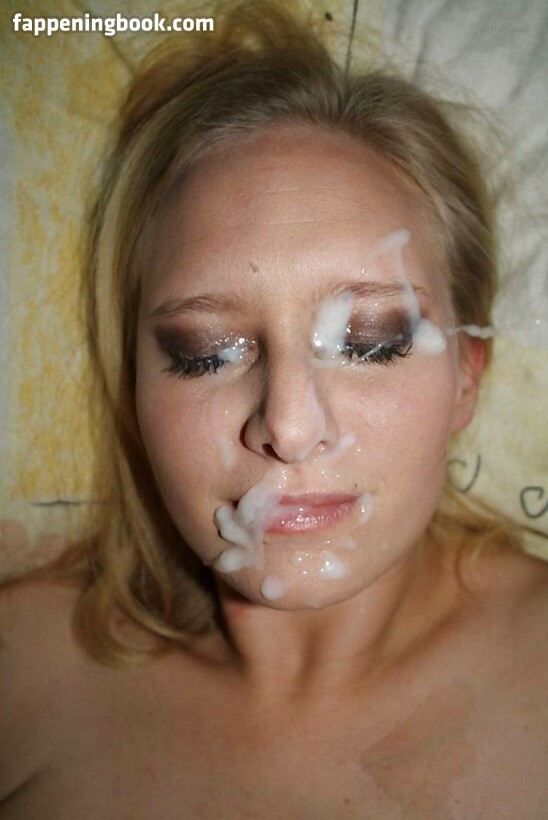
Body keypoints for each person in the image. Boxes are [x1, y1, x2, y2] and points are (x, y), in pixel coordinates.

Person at [1, 2, 547, 816]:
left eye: (368, 342)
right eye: (206, 353)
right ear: (136, 389)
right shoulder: (21, 671)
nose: (289, 427)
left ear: (468, 378)